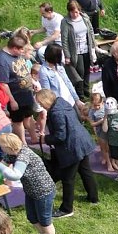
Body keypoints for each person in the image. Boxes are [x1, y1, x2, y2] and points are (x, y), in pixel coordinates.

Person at [37, 88, 99, 217]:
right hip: (81, 141)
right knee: (85, 170)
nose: (40, 105)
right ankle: (93, 197)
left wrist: (45, 139)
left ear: (46, 100)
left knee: (67, 179)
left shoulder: (56, 112)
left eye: (40, 102)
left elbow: (60, 136)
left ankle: (66, 209)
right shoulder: (62, 103)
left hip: (72, 147)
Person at [0, 133, 57, 234]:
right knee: (32, 218)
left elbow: (15, 175)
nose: (0, 148)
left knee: (45, 220)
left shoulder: (24, 155)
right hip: (30, 191)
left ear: (8, 147)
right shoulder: (11, 154)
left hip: (43, 192)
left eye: (1, 146)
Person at [61, 0, 96, 98]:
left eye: (76, 12)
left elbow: (91, 31)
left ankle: (86, 89)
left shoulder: (85, 18)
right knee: (80, 71)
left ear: (79, 10)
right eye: (72, 12)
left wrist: (93, 45)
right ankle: (79, 93)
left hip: (86, 48)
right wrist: (67, 55)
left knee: (87, 70)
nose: (74, 14)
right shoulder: (65, 22)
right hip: (75, 51)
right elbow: (64, 40)